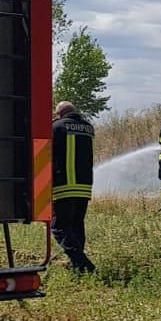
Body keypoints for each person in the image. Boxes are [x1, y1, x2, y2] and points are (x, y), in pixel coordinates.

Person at [51, 100, 96, 273]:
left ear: (60, 114)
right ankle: (78, 266)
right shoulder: (88, 127)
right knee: (77, 225)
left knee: (59, 227)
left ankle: (81, 262)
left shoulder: (57, 127)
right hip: (84, 186)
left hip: (64, 184)